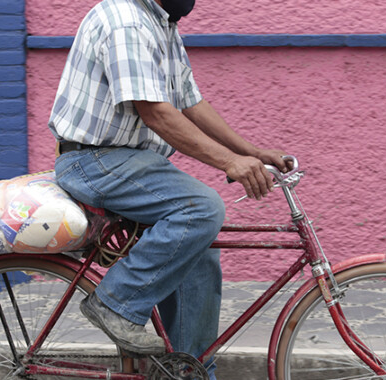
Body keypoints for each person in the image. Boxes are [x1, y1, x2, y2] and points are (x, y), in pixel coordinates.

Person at [48, 0, 289, 377]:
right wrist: (229, 163)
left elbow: (190, 102)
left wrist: (252, 152)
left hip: (128, 160)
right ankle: (116, 303)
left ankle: (188, 371)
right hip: (94, 161)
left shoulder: (162, 24)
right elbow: (156, 112)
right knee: (202, 208)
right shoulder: (127, 23)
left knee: (200, 249)